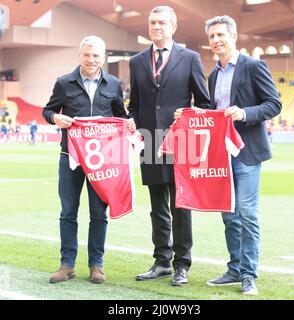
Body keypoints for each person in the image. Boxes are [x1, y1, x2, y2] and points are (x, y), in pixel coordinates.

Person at [128, 6, 211, 286]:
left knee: (181, 206)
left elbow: (204, 103)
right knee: (157, 207)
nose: (156, 27)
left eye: (162, 22)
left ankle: (181, 265)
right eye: (152, 22)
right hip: (150, 142)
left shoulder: (190, 58)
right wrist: (133, 123)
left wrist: (187, 115)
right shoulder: (137, 61)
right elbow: (135, 104)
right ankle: (162, 261)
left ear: (173, 26)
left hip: (181, 141)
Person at [42, 35, 133, 284]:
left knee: (98, 214)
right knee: (68, 212)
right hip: (69, 157)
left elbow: (120, 116)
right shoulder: (63, 83)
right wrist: (55, 119)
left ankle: (96, 265)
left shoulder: (114, 84)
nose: (91, 59)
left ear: (103, 57)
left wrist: (128, 125)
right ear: (80, 55)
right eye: (87, 54)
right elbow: (47, 110)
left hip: (101, 161)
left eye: (96, 55)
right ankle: (67, 265)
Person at [204, 16, 281, 295]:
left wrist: (245, 113)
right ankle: (235, 268)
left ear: (234, 36)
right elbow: (214, 113)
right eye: (212, 36)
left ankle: (248, 274)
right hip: (220, 155)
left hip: (246, 152)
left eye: (221, 35)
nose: (216, 40)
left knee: (247, 213)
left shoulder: (254, 65)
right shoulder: (212, 75)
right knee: (228, 215)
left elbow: (274, 104)